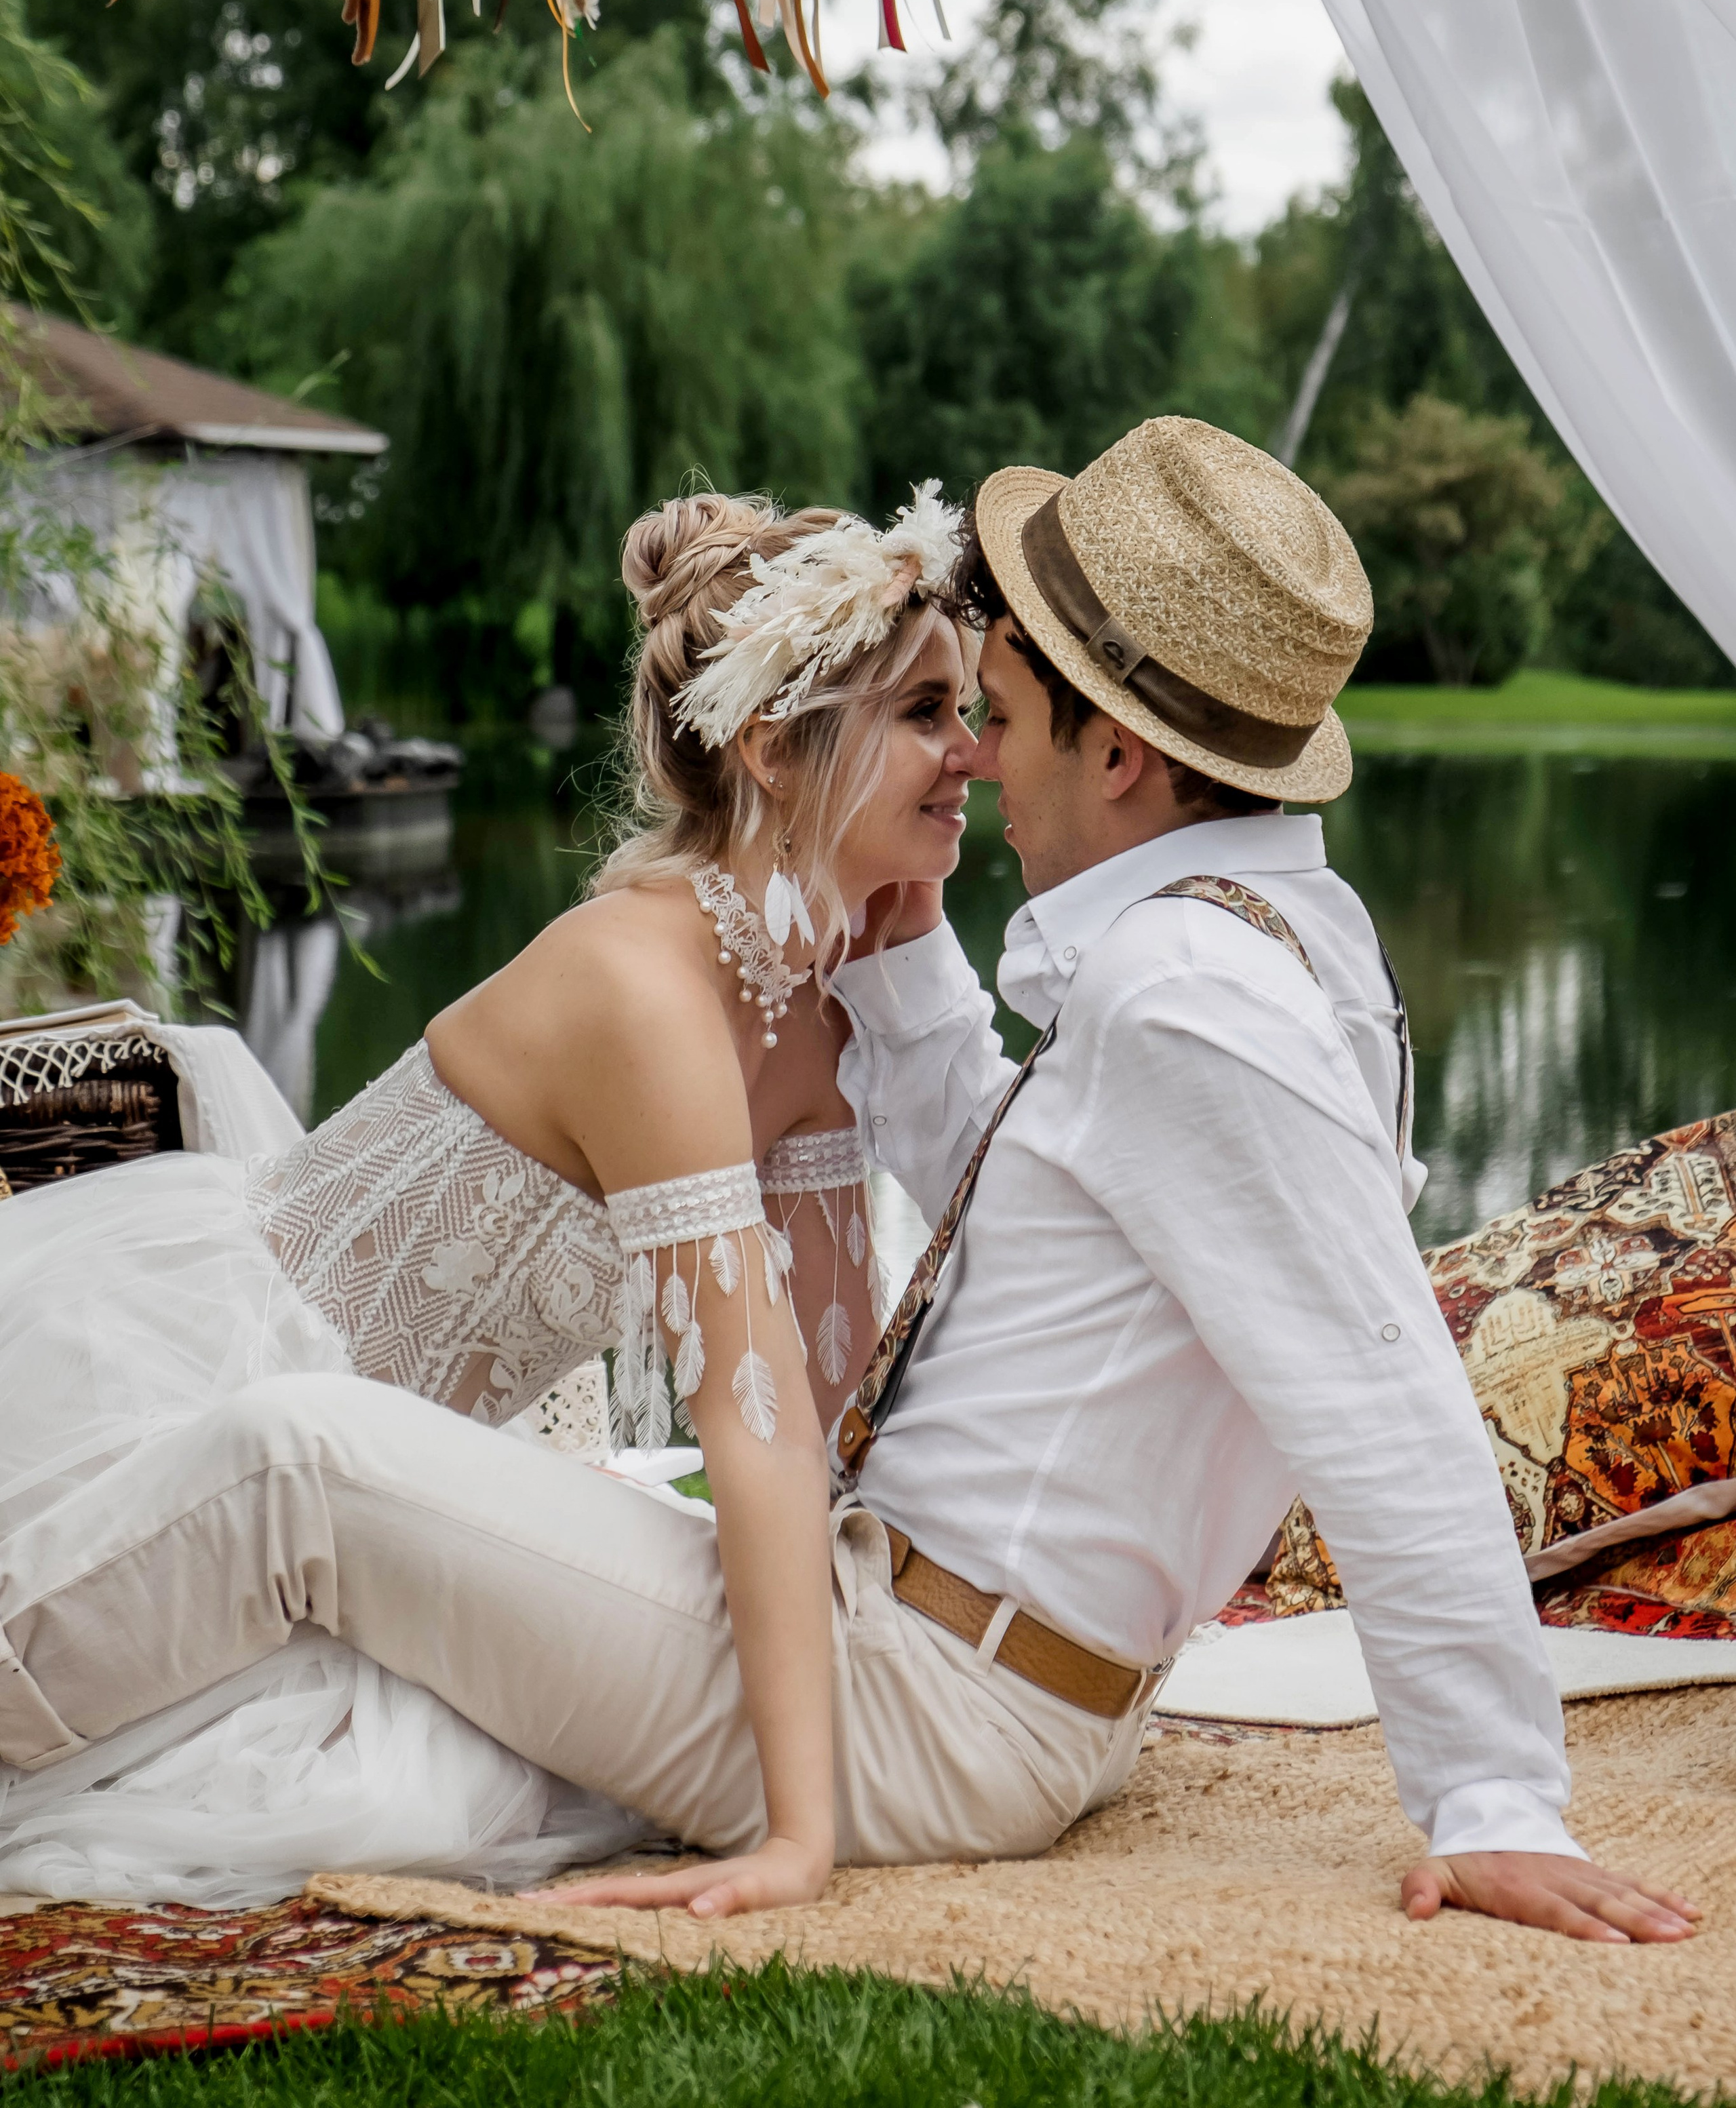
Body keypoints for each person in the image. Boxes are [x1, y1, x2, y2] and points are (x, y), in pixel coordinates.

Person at [0, 425, 1695, 1942]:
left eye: (1000, 712)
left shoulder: (1191, 1003)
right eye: (940, 715)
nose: (978, 757)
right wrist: (894, 970)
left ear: (1117, 760)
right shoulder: (1261, 956)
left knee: (295, 1457)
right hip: (948, 1656)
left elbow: (1380, 1389)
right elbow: (1014, 1212)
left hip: (941, 1698)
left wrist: (1492, 1803)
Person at [0, 482, 973, 1909]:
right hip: (223, 1407)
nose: (975, 758)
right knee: (418, 1785)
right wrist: (795, 1832)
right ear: (771, 745)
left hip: (393, 1487)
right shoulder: (642, 991)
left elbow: (824, 1405)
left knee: (542, 1740)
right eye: (927, 714)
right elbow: (744, 1418)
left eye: (965, 712)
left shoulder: (808, 1010)